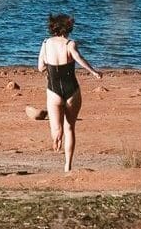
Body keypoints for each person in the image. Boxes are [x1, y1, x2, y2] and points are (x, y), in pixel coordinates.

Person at [37, 13, 102, 172]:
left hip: (53, 91)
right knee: (70, 128)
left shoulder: (45, 43)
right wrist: (94, 72)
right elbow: (79, 59)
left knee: (56, 128)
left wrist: (49, 69)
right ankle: (67, 166)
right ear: (68, 28)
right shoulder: (70, 44)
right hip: (71, 89)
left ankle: (56, 137)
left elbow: (40, 67)